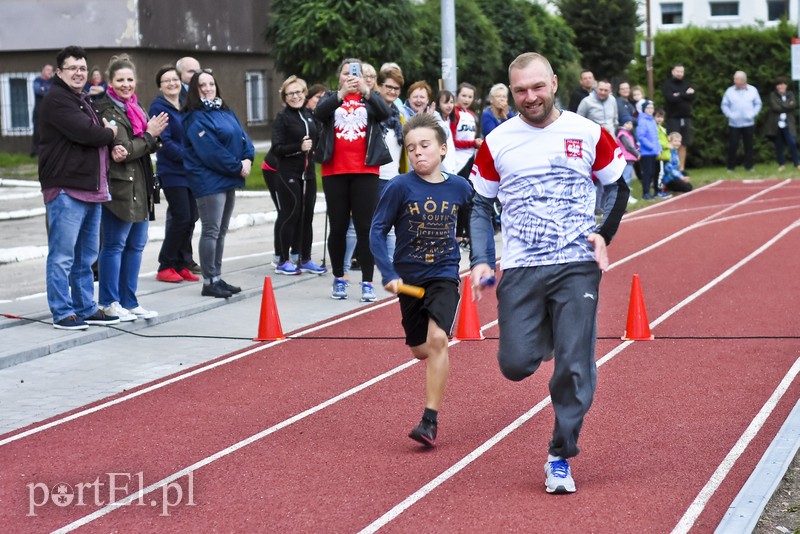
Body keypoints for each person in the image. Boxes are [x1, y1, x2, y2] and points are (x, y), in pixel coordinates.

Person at [469, 52, 629, 494]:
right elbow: (481, 204)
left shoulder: (586, 132)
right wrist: (481, 258)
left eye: (537, 87)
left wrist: (603, 233)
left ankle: (560, 455)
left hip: (576, 265)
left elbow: (618, 184)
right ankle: (554, 333)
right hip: (521, 268)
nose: (530, 97)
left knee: (574, 366)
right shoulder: (497, 141)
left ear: (554, 83)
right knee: (515, 364)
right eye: (520, 90)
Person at [370, 113, 473, 448]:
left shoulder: (460, 188)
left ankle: (429, 421)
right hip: (408, 279)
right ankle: (435, 357)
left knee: (439, 339)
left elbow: (477, 223)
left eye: (425, 145)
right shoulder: (399, 186)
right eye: (411, 148)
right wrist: (388, 273)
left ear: (443, 149)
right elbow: (376, 230)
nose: (417, 153)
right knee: (419, 350)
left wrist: (484, 259)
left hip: (444, 274)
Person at [37, 45, 121, 330]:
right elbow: (89, 134)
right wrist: (110, 132)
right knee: (62, 256)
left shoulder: (81, 99)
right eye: (72, 68)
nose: (78, 73)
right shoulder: (57, 100)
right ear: (59, 72)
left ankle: (85, 306)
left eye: (83, 68)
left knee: (86, 258)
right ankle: (62, 312)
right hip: (66, 189)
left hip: (90, 188)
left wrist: (108, 137)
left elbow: (97, 137)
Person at [95, 54, 168, 321]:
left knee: (136, 245)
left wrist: (151, 138)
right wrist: (149, 136)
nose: (126, 84)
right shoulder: (106, 109)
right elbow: (124, 150)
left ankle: (129, 300)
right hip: (120, 188)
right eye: (120, 80)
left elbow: (141, 145)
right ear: (110, 82)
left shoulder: (137, 107)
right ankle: (108, 302)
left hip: (142, 185)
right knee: (114, 245)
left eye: (130, 79)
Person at [314, 58, 392, 301]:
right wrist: (341, 94)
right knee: (337, 227)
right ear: (339, 76)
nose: (350, 76)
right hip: (334, 171)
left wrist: (367, 92)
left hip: (365, 171)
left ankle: (367, 281)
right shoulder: (331, 97)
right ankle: (339, 277)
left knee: (365, 228)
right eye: (346, 72)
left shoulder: (369, 98)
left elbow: (384, 113)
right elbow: (318, 113)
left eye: (354, 73)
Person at [183, 70, 255, 298]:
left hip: (228, 178)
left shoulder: (224, 109)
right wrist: (237, 166)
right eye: (201, 85)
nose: (207, 88)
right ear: (195, 90)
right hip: (209, 181)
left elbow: (244, 137)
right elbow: (211, 152)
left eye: (210, 84)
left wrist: (248, 157)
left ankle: (217, 276)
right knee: (211, 231)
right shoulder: (195, 117)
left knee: (221, 231)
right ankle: (209, 281)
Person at [270, 75, 326, 276]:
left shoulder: (310, 116)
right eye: (290, 93)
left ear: (305, 93)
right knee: (291, 214)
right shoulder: (282, 118)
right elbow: (276, 148)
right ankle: (284, 260)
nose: (295, 96)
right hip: (288, 173)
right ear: (284, 97)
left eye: (299, 92)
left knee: (307, 217)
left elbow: (318, 141)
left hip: (308, 174)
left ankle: (305, 258)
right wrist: (298, 147)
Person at [149, 65, 200, 284]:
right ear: (160, 86)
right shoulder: (158, 107)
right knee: (181, 217)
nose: (172, 83)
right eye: (166, 80)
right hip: (172, 171)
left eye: (175, 80)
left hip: (191, 171)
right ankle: (165, 265)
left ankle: (180, 264)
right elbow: (164, 142)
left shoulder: (186, 104)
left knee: (191, 218)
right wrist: (188, 157)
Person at [375, 65, 409, 261]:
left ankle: (389, 264)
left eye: (396, 89)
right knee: (364, 225)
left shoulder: (399, 116)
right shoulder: (371, 112)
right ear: (379, 87)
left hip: (393, 177)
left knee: (391, 225)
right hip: (373, 176)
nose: (392, 91)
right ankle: (344, 271)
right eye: (388, 87)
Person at [721, 70, 762, 172]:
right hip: (734, 124)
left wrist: (753, 114)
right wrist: (730, 115)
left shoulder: (753, 90)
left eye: (737, 79)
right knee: (733, 145)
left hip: (748, 123)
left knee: (748, 145)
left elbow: (758, 103)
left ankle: (749, 166)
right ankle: (731, 167)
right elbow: (724, 105)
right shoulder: (729, 91)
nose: (734, 81)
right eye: (734, 78)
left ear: (743, 80)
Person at [662, 65, 695, 172]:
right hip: (673, 118)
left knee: (684, 143)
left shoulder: (687, 83)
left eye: (681, 71)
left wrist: (678, 95)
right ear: (673, 71)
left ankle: (681, 168)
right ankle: (672, 167)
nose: (679, 73)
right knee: (672, 142)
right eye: (677, 71)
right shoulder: (668, 84)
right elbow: (670, 98)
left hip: (686, 118)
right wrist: (684, 94)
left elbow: (691, 96)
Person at [765, 76, 800, 171]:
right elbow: (775, 107)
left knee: (792, 143)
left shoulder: (790, 94)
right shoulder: (773, 95)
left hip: (788, 123)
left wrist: (783, 105)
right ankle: (781, 164)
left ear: (786, 85)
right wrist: (787, 106)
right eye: (779, 84)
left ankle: (797, 163)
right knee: (779, 145)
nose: (781, 86)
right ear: (776, 86)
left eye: (783, 84)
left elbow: (794, 105)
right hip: (777, 124)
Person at [451, 82, 483, 179]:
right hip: (457, 159)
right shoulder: (454, 113)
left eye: (470, 97)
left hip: (470, 157)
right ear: (457, 96)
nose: (466, 99)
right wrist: (473, 143)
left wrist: (476, 143)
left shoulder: (470, 114)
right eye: (463, 96)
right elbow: (452, 142)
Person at [637, 100, 663, 199]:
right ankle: (645, 192)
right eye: (648, 108)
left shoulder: (652, 121)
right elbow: (641, 137)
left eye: (651, 108)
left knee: (653, 172)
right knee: (647, 173)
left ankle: (651, 191)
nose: (650, 110)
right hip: (646, 152)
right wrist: (652, 147)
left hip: (654, 152)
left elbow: (656, 137)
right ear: (644, 109)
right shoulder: (642, 121)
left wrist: (659, 148)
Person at [615, 114, 639, 205]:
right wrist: (636, 153)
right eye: (628, 123)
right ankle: (625, 196)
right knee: (626, 178)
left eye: (631, 123)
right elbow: (628, 146)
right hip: (626, 158)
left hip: (628, 158)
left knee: (626, 178)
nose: (630, 125)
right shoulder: (623, 134)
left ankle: (626, 195)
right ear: (623, 124)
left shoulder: (626, 134)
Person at [30, 64, 54, 157]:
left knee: (50, 130)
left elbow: (53, 92)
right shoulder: (37, 80)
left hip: (50, 110)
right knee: (37, 131)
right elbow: (38, 91)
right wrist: (47, 91)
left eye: (51, 70)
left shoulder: (53, 81)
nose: (50, 72)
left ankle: (49, 151)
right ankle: (35, 152)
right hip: (38, 110)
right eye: (48, 70)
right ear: (43, 71)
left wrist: (45, 90)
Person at [435, 90, 458, 174]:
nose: (449, 106)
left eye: (451, 102)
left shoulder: (448, 120)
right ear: (438, 104)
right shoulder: (436, 120)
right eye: (445, 102)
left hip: (451, 164)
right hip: (443, 166)